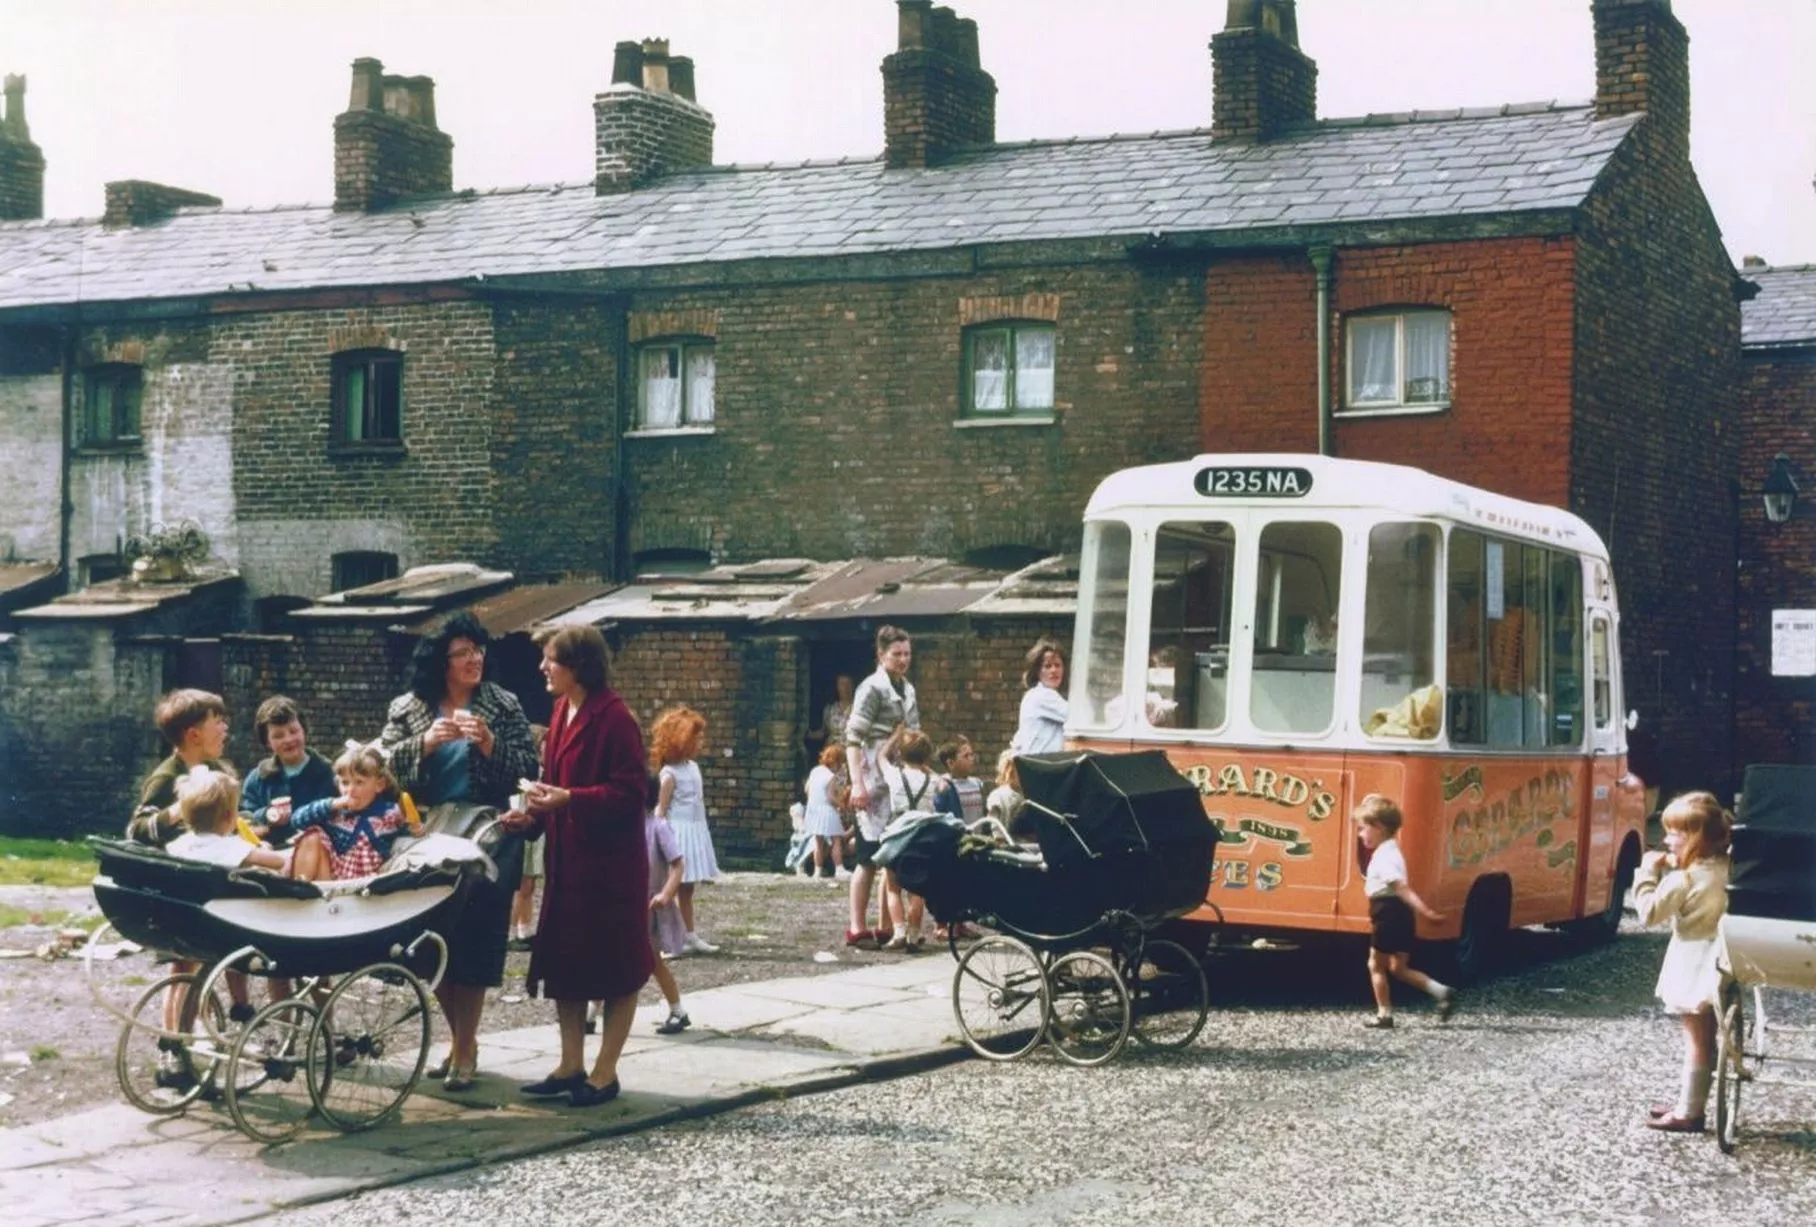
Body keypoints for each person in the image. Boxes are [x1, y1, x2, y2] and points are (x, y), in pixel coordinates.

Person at [380, 611, 538, 1093]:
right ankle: (457, 1041)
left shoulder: (501, 703)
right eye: (463, 653)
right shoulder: (408, 708)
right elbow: (381, 773)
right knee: (433, 940)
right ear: (442, 662)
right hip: (427, 831)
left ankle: (466, 1046)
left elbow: (528, 768)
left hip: (488, 831)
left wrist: (489, 743)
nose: (474, 660)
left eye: (478, 651)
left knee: (476, 936)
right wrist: (422, 746)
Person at [503, 623, 650, 1108]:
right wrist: (530, 815)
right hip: (568, 865)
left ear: (579, 666)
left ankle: (605, 1073)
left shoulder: (616, 718)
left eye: (552, 660)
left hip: (610, 869)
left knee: (615, 968)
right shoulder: (562, 710)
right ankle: (571, 1064)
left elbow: (632, 794)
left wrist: (570, 799)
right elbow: (555, 785)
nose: (543, 668)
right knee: (566, 965)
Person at [126, 689, 254, 1031]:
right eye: (218, 722)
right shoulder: (167, 777)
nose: (225, 728)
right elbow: (136, 829)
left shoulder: (216, 769)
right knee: (184, 969)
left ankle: (203, 1034)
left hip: (211, 885)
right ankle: (173, 1047)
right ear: (194, 735)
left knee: (212, 961)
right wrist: (178, 810)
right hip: (180, 888)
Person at [1632, 790, 1734, 1133]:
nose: (1666, 839)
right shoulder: (1728, 869)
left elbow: (1648, 914)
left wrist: (1647, 873)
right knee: (1707, 1037)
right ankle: (1689, 1101)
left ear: (1695, 838)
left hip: (1692, 961)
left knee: (1696, 1040)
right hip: (1726, 959)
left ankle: (1689, 1112)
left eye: (1675, 833)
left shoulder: (1683, 880)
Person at [845, 625, 920, 949]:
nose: (903, 660)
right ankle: (856, 926)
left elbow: (914, 736)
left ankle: (886, 925)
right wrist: (857, 784)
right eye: (896, 654)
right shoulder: (871, 688)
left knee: (892, 853)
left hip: (897, 775)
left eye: (906, 653)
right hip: (871, 772)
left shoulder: (908, 690)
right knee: (866, 856)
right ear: (881, 655)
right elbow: (852, 739)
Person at [1356, 794, 1456, 1029]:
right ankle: (1441, 991)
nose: (1361, 835)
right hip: (1401, 915)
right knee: (1398, 968)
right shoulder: (1392, 850)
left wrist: (1426, 911)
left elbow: (1402, 888)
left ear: (1378, 828)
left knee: (1375, 965)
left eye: (1363, 829)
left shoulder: (1385, 857)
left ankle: (1384, 1014)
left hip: (1387, 912)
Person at [281, 742, 411, 881]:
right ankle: (302, 889)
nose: (350, 790)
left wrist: (415, 830)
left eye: (359, 782)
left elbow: (404, 834)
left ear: (379, 785)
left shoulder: (390, 812)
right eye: (345, 783)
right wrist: (332, 804)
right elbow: (296, 820)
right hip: (332, 878)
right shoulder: (336, 812)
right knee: (313, 834)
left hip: (367, 882)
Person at [650, 705, 721, 955]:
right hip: (677, 834)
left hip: (695, 830)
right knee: (673, 886)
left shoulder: (693, 767)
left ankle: (689, 935)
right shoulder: (668, 774)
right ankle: (671, 938)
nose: (700, 742)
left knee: (688, 887)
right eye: (696, 737)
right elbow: (661, 811)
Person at [238, 696, 337, 848]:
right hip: (269, 855)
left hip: (316, 853)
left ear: (304, 730)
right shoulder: (258, 778)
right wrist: (268, 815)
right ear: (267, 742)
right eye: (278, 736)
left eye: (293, 731)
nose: (288, 739)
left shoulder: (328, 772)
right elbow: (244, 819)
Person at [167, 768, 289, 873]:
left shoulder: (177, 845)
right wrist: (264, 850)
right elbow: (281, 861)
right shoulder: (233, 848)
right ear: (228, 816)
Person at [645, 795, 691, 1034]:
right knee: (612, 955)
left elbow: (677, 864)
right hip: (625, 902)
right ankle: (591, 1011)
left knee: (653, 960)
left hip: (650, 905)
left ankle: (677, 1009)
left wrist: (666, 894)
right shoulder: (621, 825)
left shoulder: (658, 827)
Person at [510, 723, 550, 951]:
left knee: (530, 883)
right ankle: (512, 932)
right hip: (526, 829)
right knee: (522, 883)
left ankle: (525, 929)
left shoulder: (546, 771)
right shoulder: (527, 771)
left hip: (538, 833)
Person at [1010, 637, 1069, 755]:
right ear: (1037, 671)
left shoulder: (1036, 695)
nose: (1054, 670)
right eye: (1047, 666)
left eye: (1058, 665)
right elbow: (1077, 719)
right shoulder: (1042, 695)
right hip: (1040, 765)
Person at [803, 742, 850, 881]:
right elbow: (830, 797)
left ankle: (817, 871)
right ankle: (839, 868)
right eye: (840, 763)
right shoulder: (830, 776)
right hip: (827, 810)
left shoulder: (815, 771)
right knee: (836, 839)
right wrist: (841, 804)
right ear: (834, 762)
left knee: (818, 841)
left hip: (813, 810)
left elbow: (807, 789)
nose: (840, 767)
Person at [987, 749, 1027, 839]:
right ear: (1009, 771)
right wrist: (1000, 839)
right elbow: (995, 824)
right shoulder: (998, 796)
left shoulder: (1027, 794)